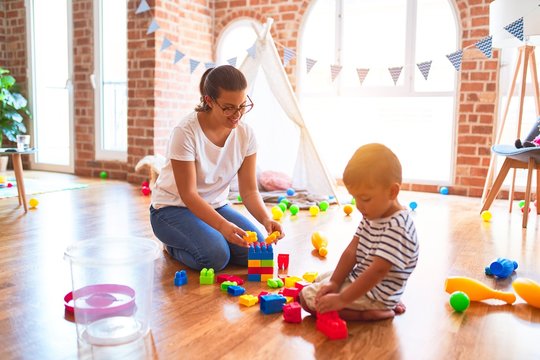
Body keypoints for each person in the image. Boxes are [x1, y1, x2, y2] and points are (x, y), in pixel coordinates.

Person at [150, 65, 284, 271]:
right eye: (229, 107)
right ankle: (173, 246)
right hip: (172, 209)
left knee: (257, 251)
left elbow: (249, 191)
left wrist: (266, 219)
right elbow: (189, 195)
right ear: (209, 101)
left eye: (242, 105)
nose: (237, 114)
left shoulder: (246, 135)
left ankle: (206, 240)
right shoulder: (185, 132)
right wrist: (222, 226)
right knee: (215, 256)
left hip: (216, 206)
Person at [299, 143, 419, 321]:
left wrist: (341, 299)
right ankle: (378, 304)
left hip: (376, 293)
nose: (358, 206)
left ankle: (373, 311)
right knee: (321, 279)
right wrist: (335, 282)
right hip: (366, 281)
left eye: (365, 198)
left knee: (306, 298)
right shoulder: (373, 214)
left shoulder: (397, 227)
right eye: (355, 198)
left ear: (392, 191)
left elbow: (377, 271)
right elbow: (352, 251)